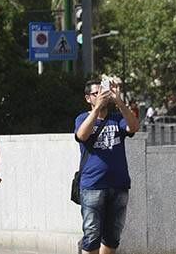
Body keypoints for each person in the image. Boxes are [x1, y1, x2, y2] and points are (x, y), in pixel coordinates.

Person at [74, 79, 140, 254]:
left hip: (119, 185)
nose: (103, 96)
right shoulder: (82, 118)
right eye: (97, 93)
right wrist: (97, 110)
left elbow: (134, 127)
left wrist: (119, 101)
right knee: (91, 236)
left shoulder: (117, 119)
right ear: (88, 98)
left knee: (112, 237)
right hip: (92, 186)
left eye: (105, 92)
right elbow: (81, 135)